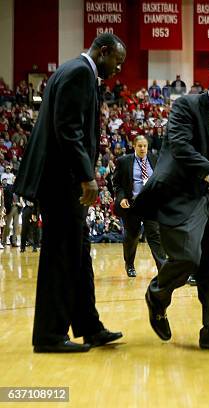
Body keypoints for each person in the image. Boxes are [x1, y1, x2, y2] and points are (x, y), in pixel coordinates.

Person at [14, 33, 126, 353]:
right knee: (60, 259)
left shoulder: (73, 70)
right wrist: (87, 177)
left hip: (62, 182)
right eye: (116, 62)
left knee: (78, 257)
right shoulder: (78, 73)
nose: (118, 69)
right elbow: (69, 129)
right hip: (61, 183)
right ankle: (49, 335)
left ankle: (89, 326)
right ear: (103, 51)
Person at [137, 64, 209, 350]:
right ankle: (157, 294)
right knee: (188, 257)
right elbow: (179, 146)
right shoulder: (186, 106)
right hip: (182, 195)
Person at [112, 135, 166, 277]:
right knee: (132, 236)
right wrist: (121, 197)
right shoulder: (123, 161)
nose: (143, 148)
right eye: (140, 146)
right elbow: (116, 184)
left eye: (145, 146)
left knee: (155, 236)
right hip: (132, 205)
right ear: (134, 146)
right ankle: (129, 264)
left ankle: (163, 268)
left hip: (150, 204)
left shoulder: (155, 159)